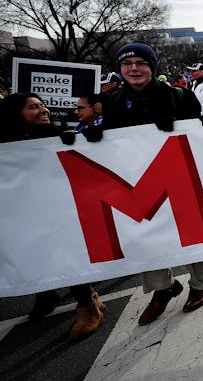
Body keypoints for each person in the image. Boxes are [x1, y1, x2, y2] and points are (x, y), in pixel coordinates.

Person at [100, 42, 203, 325]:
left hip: (178, 177)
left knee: (188, 231)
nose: (134, 68)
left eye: (141, 63)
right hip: (136, 180)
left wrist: (187, 124)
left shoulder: (181, 96)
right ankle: (162, 288)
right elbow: (109, 140)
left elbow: (199, 136)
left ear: (152, 67)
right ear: (120, 70)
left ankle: (201, 283)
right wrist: (88, 137)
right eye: (128, 64)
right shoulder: (113, 101)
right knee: (146, 234)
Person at [0, 93, 107, 340]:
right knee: (33, 251)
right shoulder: (5, 144)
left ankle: (87, 305)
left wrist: (86, 142)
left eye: (43, 105)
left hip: (60, 210)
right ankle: (45, 294)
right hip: (23, 212)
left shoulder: (60, 137)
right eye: (33, 107)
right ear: (15, 114)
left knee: (67, 253)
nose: (43, 110)